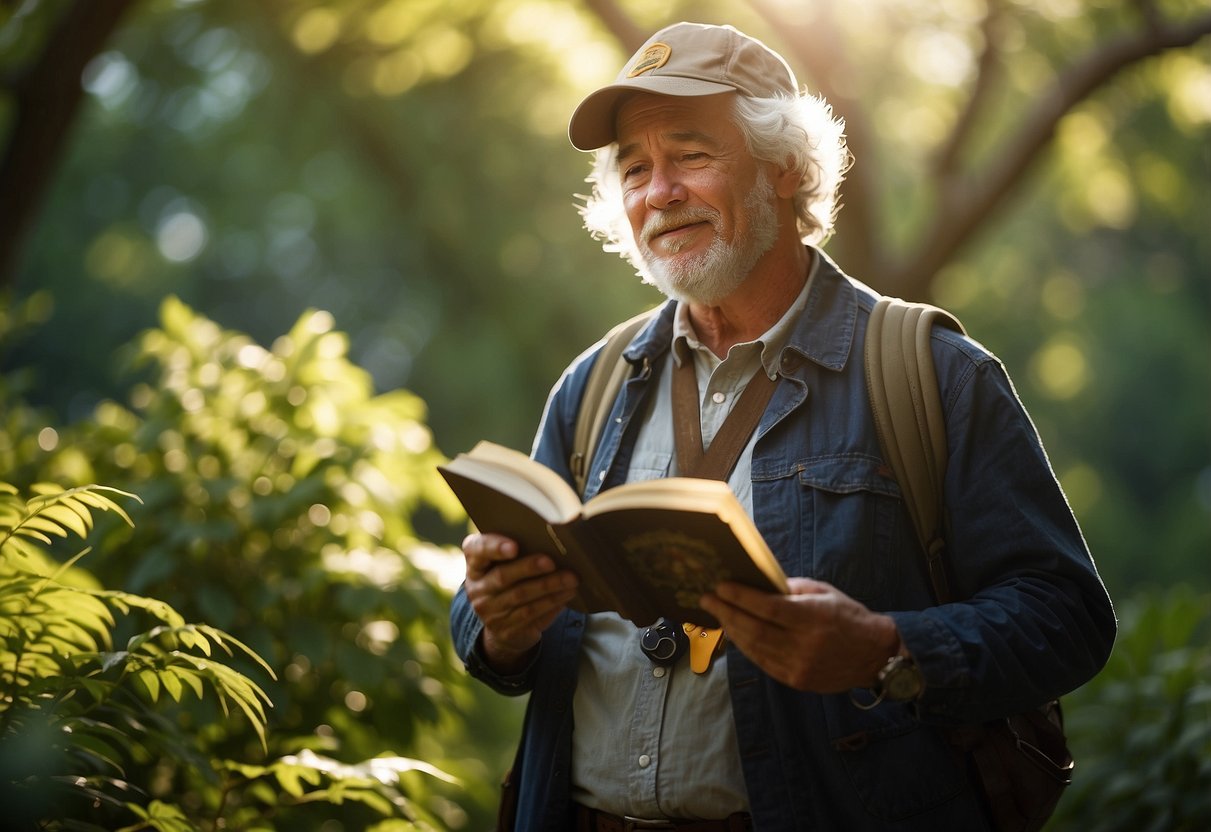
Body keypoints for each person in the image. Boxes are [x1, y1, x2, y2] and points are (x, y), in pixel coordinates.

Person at [450, 21, 1115, 831]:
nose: (657, 193)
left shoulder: (930, 372)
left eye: (689, 155)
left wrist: (882, 649)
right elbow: (493, 636)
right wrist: (497, 626)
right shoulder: (592, 384)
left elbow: (1065, 618)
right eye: (634, 169)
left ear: (786, 169)